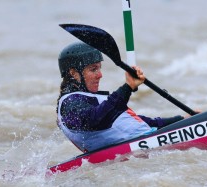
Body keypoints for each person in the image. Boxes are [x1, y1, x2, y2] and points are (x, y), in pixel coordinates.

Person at [56, 42, 187, 153]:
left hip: (144, 144)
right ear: (73, 73)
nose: (100, 75)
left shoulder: (89, 100)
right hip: (132, 154)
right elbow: (95, 120)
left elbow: (142, 123)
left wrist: (183, 120)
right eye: (93, 69)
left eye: (99, 68)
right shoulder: (70, 104)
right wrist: (127, 87)